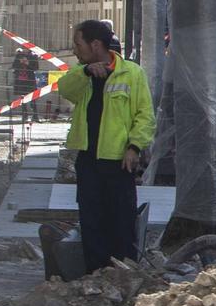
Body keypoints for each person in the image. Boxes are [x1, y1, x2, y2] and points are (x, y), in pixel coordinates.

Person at [51, 20, 154, 271]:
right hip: (88, 160)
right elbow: (65, 88)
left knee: (122, 221)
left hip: (119, 162)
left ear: (95, 44)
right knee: (91, 221)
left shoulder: (131, 73)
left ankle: (123, 273)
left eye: (78, 44)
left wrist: (134, 147)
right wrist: (85, 72)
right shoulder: (81, 75)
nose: (75, 50)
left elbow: (145, 116)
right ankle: (95, 275)